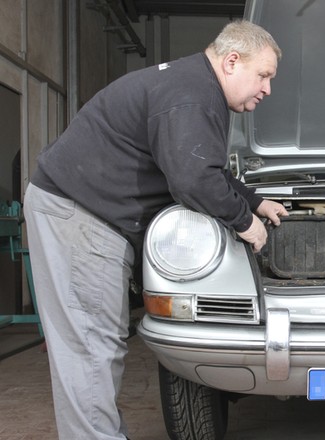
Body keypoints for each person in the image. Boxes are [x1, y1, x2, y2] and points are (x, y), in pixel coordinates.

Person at [23, 20, 288, 439]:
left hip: (89, 210)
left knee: (97, 346)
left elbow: (204, 167)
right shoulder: (191, 94)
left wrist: (255, 200)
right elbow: (193, 179)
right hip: (80, 214)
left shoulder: (194, 85)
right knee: (90, 347)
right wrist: (246, 223)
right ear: (232, 61)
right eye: (264, 75)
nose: (267, 89)